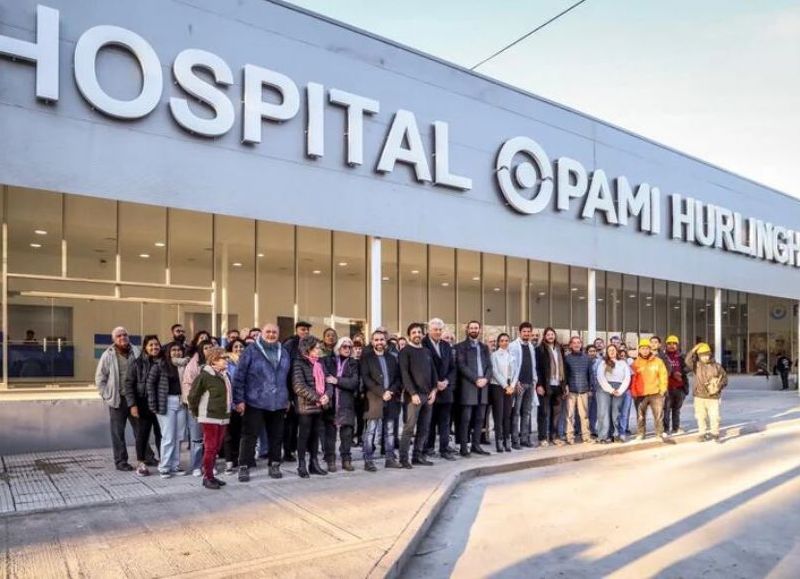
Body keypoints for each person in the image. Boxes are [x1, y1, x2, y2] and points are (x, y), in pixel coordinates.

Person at [234, 324, 291, 482]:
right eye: (268, 332)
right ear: (262, 333)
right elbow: (239, 376)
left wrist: (288, 398)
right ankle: (244, 465)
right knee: (249, 436)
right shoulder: (251, 351)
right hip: (255, 401)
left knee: (276, 436)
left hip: (278, 402)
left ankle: (274, 464)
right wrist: (239, 400)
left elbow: (288, 378)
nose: (271, 334)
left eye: (274, 332)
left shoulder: (284, 352)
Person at [95, 326, 148, 471]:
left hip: (135, 400)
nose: (122, 337)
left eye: (124, 334)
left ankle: (146, 457)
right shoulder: (108, 355)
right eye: (118, 336)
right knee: (118, 433)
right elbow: (100, 379)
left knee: (141, 430)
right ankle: (121, 462)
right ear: (113, 339)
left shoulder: (137, 352)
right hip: (117, 400)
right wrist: (107, 396)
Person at [187, 347, 232, 490]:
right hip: (209, 417)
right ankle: (207, 477)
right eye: (223, 358)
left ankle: (211, 476)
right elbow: (193, 396)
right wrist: (196, 412)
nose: (227, 360)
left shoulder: (224, 375)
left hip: (223, 417)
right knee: (210, 448)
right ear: (214, 360)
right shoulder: (205, 376)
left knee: (216, 448)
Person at [360, 330, 402, 471]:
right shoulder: (366, 358)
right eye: (376, 340)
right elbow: (366, 379)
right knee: (370, 431)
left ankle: (390, 459)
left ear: (386, 341)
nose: (379, 342)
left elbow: (398, 378)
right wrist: (382, 392)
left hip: (391, 399)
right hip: (374, 400)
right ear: (372, 342)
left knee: (390, 431)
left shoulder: (392, 358)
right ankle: (368, 460)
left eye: (382, 340)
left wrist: (390, 391)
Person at [124, 334, 164, 477]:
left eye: (156, 344)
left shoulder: (164, 362)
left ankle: (163, 461)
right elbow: (128, 385)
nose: (154, 347)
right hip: (143, 403)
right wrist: (132, 405)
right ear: (145, 348)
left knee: (162, 434)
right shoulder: (137, 363)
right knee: (142, 434)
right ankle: (141, 463)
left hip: (161, 404)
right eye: (151, 345)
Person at [292, 336, 332, 478]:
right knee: (303, 436)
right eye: (316, 348)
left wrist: (328, 394)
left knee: (315, 436)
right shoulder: (299, 363)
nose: (319, 350)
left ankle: (314, 463)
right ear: (308, 349)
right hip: (306, 407)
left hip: (320, 405)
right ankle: (301, 464)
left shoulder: (320, 362)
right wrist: (318, 398)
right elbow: (299, 386)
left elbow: (328, 380)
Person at [398, 323, 437, 467]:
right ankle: (403, 459)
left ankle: (418, 456)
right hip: (413, 397)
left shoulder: (427, 351)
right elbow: (404, 374)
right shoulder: (405, 351)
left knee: (424, 428)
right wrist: (412, 393)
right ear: (409, 335)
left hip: (428, 396)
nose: (417, 334)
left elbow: (433, 372)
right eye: (414, 332)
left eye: (419, 332)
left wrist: (434, 391)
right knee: (409, 428)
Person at [147, 341, 188, 478]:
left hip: (181, 402)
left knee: (179, 436)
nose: (177, 352)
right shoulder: (160, 365)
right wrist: (153, 404)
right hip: (166, 403)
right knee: (168, 436)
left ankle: (175, 465)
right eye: (173, 350)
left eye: (179, 350)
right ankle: (164, 466)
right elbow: (150, 385)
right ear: (168, 352)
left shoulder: (185, 365)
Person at [321, 337, 360, 472]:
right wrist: (337, 381)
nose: (348, 349)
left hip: (347, 403)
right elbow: (326, 378)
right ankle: (330, 460)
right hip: (331, 402)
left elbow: (354, 383)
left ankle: (346, 459)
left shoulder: (353, 363)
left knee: (347, 434)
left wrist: (336, 380)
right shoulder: (329, 360)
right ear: (338, 347)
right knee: (330, 435)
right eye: (344, 346)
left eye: (350, 347)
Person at [455, 321, 493, 457]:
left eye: (476, 328)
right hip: (468, 387)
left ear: (480, 330)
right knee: (465, 419)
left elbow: (490, 366)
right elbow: (461, 366)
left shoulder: (484, 347)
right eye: (471, 328)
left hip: (483, 388)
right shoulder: (460, 347)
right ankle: (464, 448)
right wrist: (476, 379)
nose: (473, 330)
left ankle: (476, 445)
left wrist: (485, 379)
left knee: (479, 418)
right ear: (467, 330)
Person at [423, 318, 457, 461]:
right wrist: (436, 383)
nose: (437, 332)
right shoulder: (423, 344)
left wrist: (446, 381)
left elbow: (452, 367)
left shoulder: (446, 345)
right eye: (435, 329)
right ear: (429, 330)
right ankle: (427, 448)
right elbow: (425, 368)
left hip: (446, 389)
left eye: (439, 330)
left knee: (445, 422)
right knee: (428, 421)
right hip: (430, 389)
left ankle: (444, 449)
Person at [630, 338, 673, 443]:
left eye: (646, 348)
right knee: (640, 416)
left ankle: (659, 433)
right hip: (640, 394)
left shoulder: (658, 361)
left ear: (650, 349)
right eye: (642, 348)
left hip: (656, 393)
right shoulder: (635, 363)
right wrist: (634, 392)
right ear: (639, 350)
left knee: (658, 416)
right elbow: (633, 379)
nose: (645, 350)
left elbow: (663, 376)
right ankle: (641, 433)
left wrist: (663, 390)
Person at [182, 339, 214, 476]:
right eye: (205, 347)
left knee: (210, 438)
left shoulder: (217, 363)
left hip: (212, 407)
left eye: (210, 347)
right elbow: (187, 384)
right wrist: (193, 403)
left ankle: (209, 466)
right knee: (197, 438)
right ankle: (196, 466)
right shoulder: (193, 364)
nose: (208, 349)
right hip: (197, 406)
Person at [686, 343, 728, 443]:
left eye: (706, 354)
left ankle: (715, 433)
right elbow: (687, 360)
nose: (705, 357)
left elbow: (725, 378)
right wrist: (694, 349)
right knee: (701, 416)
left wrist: (719, 386)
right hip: (699, 395)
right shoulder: (696, 365)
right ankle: (702, 433)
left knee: (715, 416)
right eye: (702, 355)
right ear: (699, 356)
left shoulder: (717, 366)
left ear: (710, 354)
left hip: (713, 396)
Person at [282, 321, 312, 463]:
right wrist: (287, 395)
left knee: (304, 422)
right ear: (296, 330)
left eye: (307, 330)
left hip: (305, 388)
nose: (305, 332)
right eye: (302, 329)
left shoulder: (309, 344)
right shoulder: (289, 344)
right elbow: (285, 369)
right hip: (291, 387)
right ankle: (288, 451)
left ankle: (300, 448)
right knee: (291, 423)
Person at [508, 322, 538, 449]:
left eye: (528, 331)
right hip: (518, 384)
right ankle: (515, 440)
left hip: (530, 383)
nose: (526, 333)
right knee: (516, 413)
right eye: (524, 331)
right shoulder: (513, 346)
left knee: (526, 413)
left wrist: (534, 381)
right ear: (520, 332)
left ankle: (525, 439)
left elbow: (533, 365)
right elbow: (511, 366)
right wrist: (515, 382)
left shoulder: (531, 346)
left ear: (531, 333)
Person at [535, 327, 566, 447]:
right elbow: (537, 368)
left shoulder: (560, 349)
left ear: (555, 335)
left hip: (558, 384)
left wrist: (565, 385)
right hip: (545, 385)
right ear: (545, 336)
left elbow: (564, 369)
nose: (550, 336)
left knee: (556, 413)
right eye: (548, 334)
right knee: (543, 412)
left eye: (552, 334)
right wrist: (539, 385)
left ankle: (554, 436)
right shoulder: (540, 349)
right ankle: (542, 437)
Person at [595, 344, 631, 443]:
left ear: (617, 351)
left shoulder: (623, 363)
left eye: (613, 350)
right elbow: (600, 377)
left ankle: (616, 434)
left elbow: (627, 378)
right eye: (609, 350)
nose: (611, 351)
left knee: (616, 413)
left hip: (619, 389)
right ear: (606, 352)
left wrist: (620, 390)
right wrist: (610, 390)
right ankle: (603, 436)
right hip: (604, 389)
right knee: (604, 412)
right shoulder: (603, 363)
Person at [563, 336, 595, 445]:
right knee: (570, 415)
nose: (576, 344)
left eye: (578, 343)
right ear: (570, 345)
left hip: (584, 390)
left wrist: (590, 388)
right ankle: (570, 436)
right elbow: (565, 375)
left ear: (581, 345)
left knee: (584, 415)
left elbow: (590, 374)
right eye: (574, 343)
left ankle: (586, 436)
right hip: (571, 391)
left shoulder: (587, 358)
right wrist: (565, 386)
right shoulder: (566, 358)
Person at [222, 338, 246, 475]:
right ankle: (229, 461)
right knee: (228, 435)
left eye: (241, 346)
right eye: (236, 346)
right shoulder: (226, 364)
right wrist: (233, 404)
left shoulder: (247, 363)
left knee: (241, 434)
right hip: (229, 405)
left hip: (243, 404)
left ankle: (240, 459)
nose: (239, 349)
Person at [490, 333, 516, 452]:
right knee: (499, 415)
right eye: (502, 340)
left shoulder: (512, 355)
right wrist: (505, 386)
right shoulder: (494, 355)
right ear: (498, 342)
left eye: (506, 340)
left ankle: (507, 439)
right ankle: (499, 441)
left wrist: (512, 385)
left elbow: (516, 372)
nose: (504, 342)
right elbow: (495, 372)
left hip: (510, 387)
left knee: (507, 415)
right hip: (498, 386)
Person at [663, 335, 689, 434]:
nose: (672, 345)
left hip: (679, 387)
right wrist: (673, 373)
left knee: (676, 410)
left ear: (677, 345)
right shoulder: (663, 357)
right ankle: (665, 429)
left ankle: (676, 428)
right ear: (666, 345)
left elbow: (688, 367)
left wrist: (681, 373)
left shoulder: (682, 357)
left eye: (674, 344)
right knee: (666, 410)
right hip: (667, 387)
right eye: (669, 343)